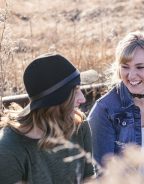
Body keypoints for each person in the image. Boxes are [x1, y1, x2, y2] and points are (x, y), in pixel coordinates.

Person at [88, 31, 144, 181]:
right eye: (125, 67)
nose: (131, 75)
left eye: (140, 67)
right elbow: (103, 175)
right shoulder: (104, 110)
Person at [0, 53, 95, 183]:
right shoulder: (9, 150)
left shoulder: (79, 124)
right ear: (56, 101)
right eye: (76, 91)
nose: (83, 99)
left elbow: (89, 178)